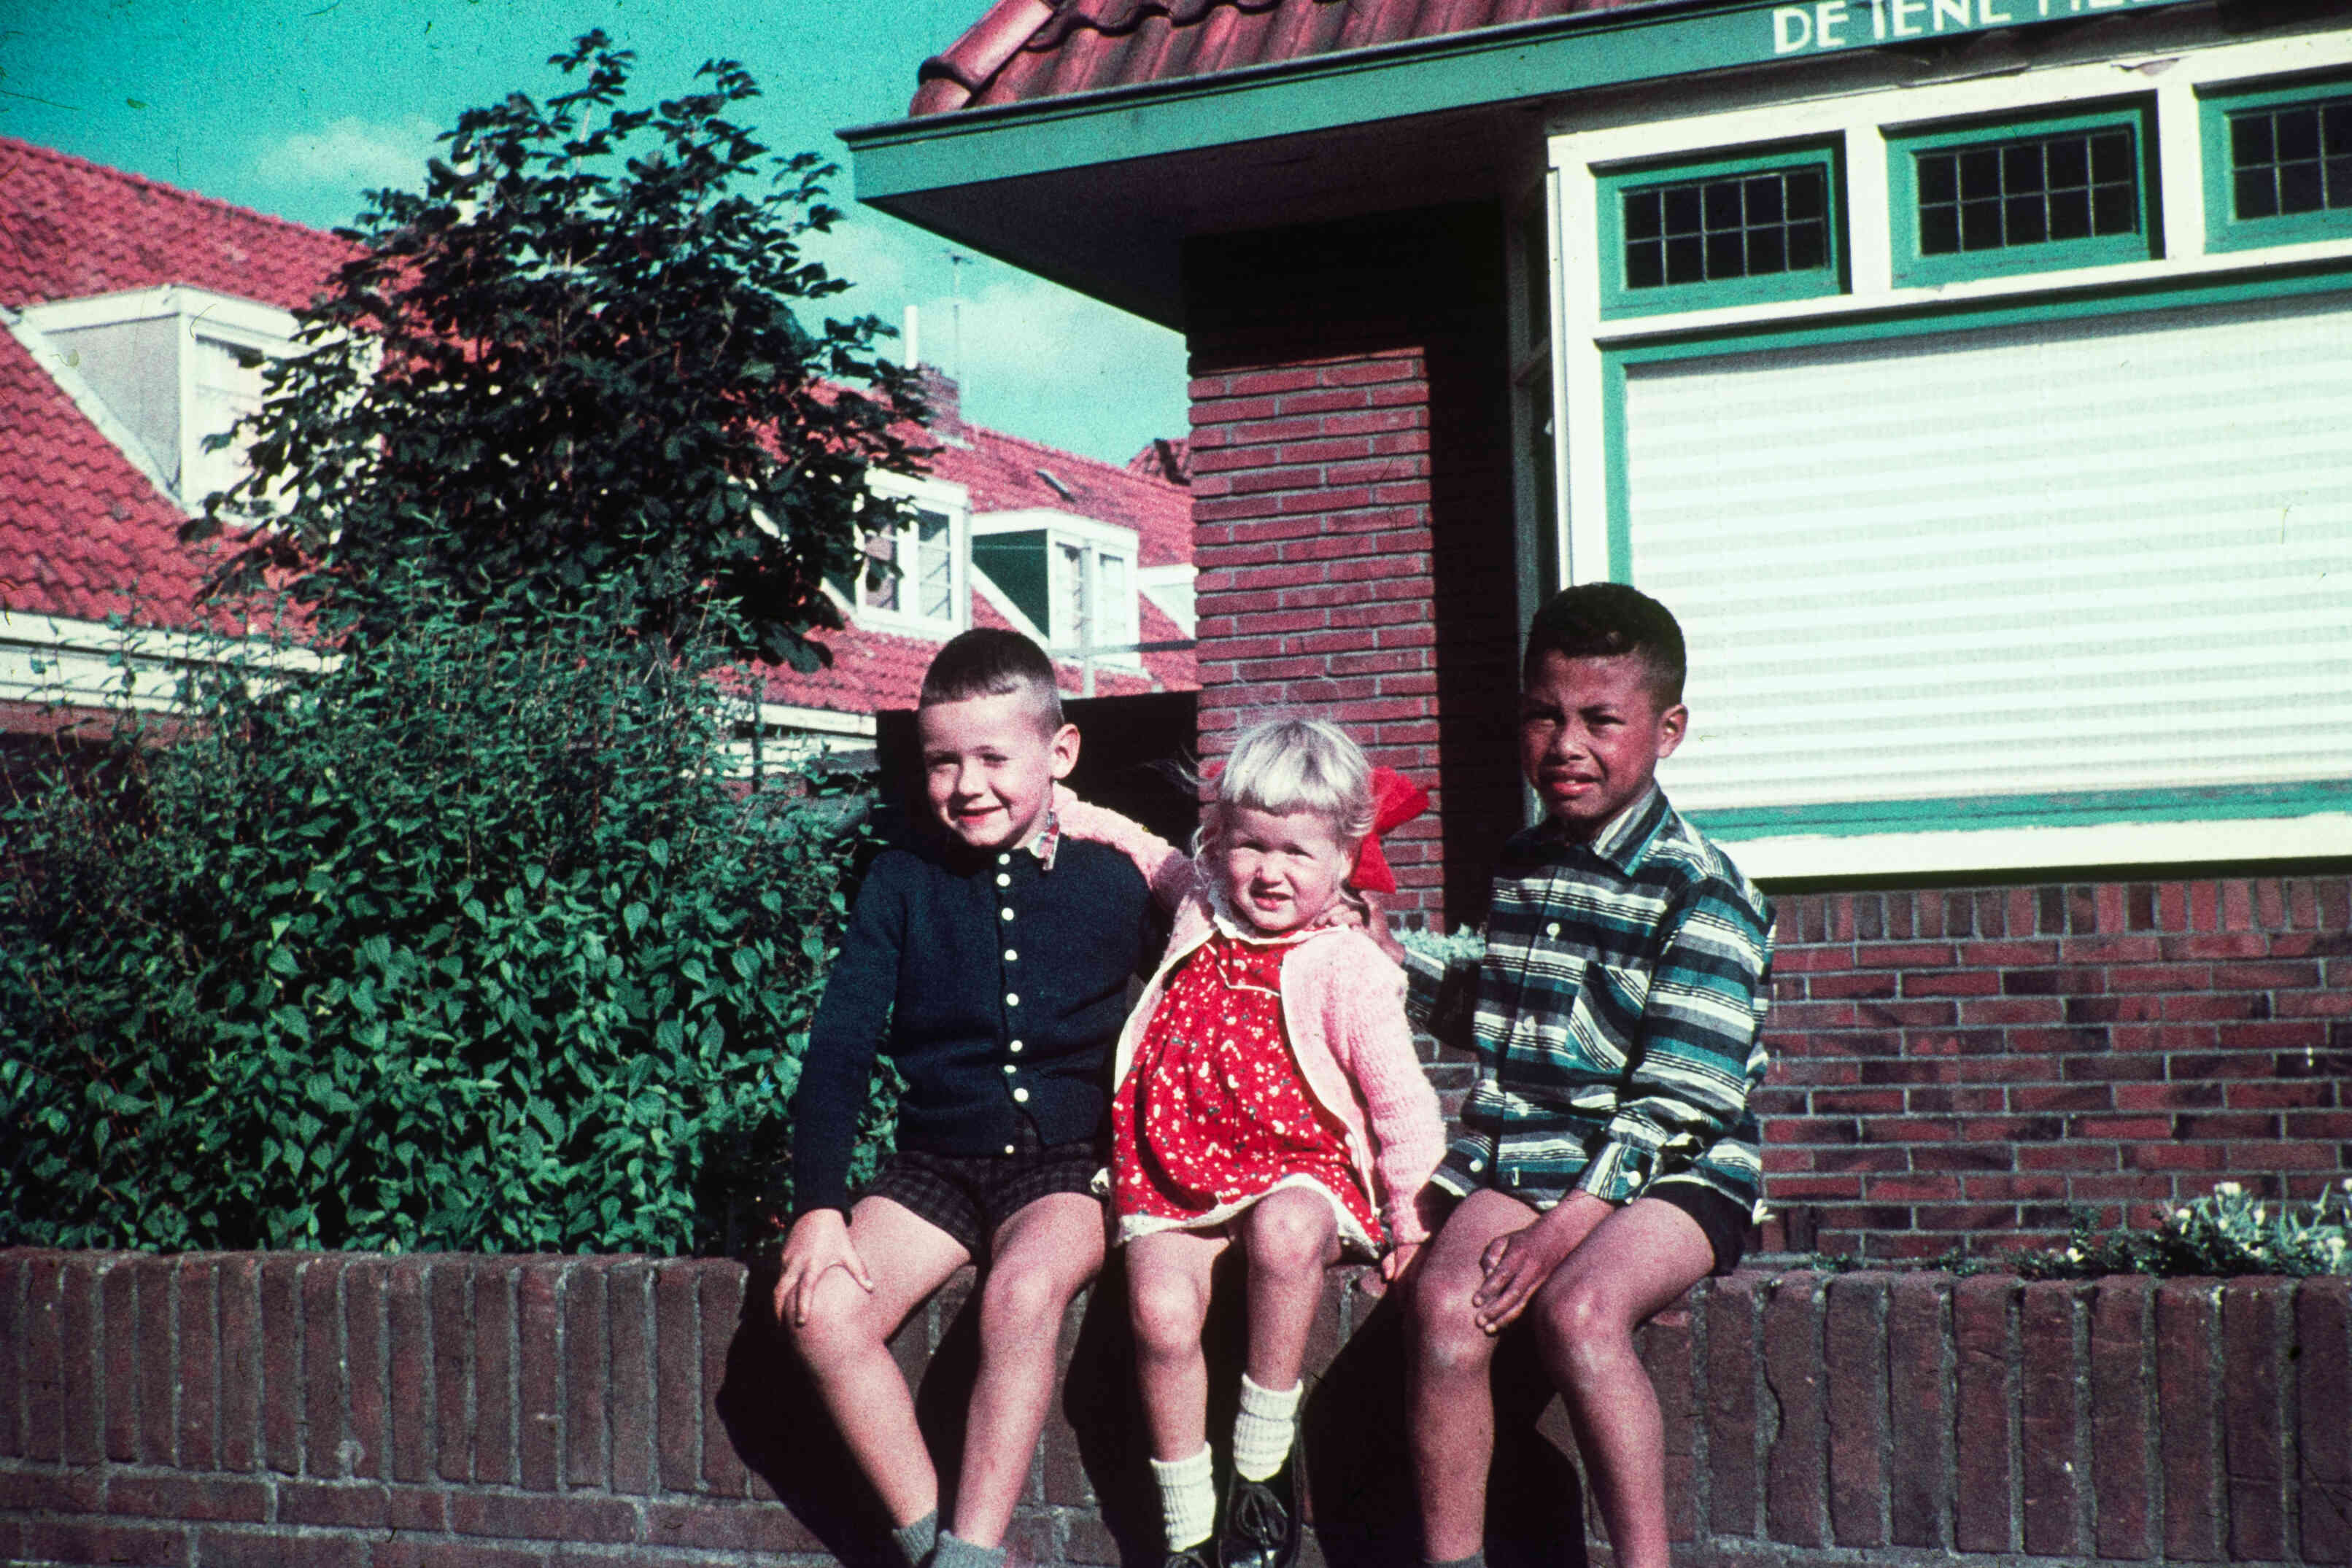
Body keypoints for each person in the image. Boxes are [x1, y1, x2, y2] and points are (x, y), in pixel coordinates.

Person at [1396, 583, 1772, 1568]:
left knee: (1578, 1308)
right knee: (1444, 1307)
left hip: (1679, 1173)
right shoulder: (1525, 864)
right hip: (1531, 1154)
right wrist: (1378, 963)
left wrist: (1565, 1227)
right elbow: (1501, 1020)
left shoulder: (1702, 888)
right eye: (1543, 714)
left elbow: (1681, 1104)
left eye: (1601, 719)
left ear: (1668, 727)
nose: (1567, 742)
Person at [773, 627, 1164, 1568]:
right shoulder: (901, 880)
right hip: (934, 1164)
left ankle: (977, 1547)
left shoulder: (1116, 879)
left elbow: (1206, 970)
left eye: (994, 755)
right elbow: (838, 1048)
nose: (967, 783)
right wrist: (819, 1206)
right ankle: (932, 1544)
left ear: (1058, 753)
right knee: (821, 1311)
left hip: (1069, 1165)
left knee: (1023, 1292)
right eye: (942, 760)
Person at [1061, 717, 1444, 1568]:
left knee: (1286, 1233)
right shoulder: (1201, 902)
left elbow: (1400, 1101)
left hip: (1297, 1162)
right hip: (1172, 1164)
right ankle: (1190, 1527)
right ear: (1220, 840)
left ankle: (1262, 1460)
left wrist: (1411, 1222)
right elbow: (1143, 848)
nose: (1267, 871)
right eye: (1248, 846)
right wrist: (1066, 806)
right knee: (1159, 1316)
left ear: (1343, 857)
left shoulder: (1347, 962)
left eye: (1295, 853)